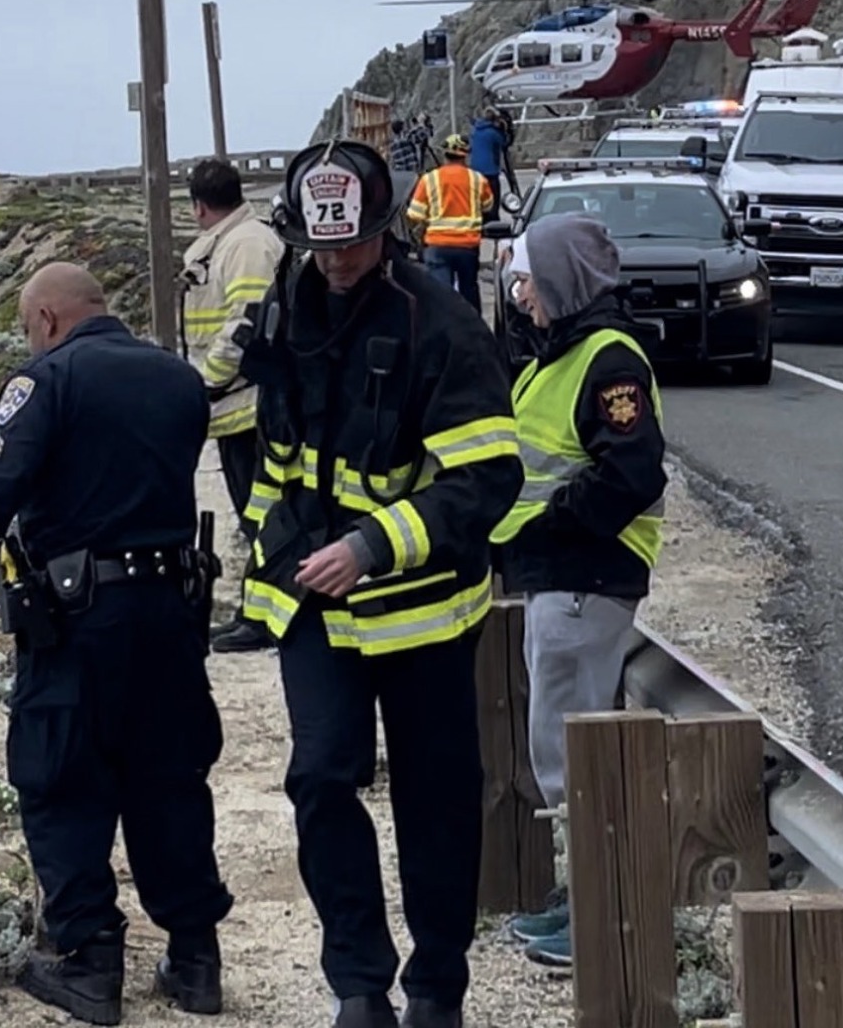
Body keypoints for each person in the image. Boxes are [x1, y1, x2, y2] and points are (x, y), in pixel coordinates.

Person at [235, 139, 522, 1028]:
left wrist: (372, 546)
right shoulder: (287, 308)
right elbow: (277, 454)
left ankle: (438, 987)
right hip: (314, 603)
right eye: (322, 248)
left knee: (435, 799)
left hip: (422, 612)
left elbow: (485, 477)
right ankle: (359, 984)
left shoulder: (442, 325)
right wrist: (271, 554)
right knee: (320, 780)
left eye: (352, 245)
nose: (338, 262)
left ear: (385, 230)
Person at [0, 262, 233, 1026]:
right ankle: (195, 958)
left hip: (81, 619)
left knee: (62, 777)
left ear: (46, 320)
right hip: (172, 612)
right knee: (170, 778)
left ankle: (88, 962)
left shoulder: (48, 381)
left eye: (27, 329)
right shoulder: (177, 380)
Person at [489, 214, 667, 972]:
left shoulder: (606, 360)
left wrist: (547, 532)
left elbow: (631, 472)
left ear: (560, 278)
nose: (520, 293)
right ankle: (580, 894)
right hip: (558, 581)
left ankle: (597, 911)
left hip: (582, 577)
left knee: (573, 756)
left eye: (528, 277)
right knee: (560, 749)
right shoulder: (557, 356)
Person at [181, 158, 284, 655]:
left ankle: (263, 616)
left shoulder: (245, 246)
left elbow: (247, 324)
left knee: (263, 515)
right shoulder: (234, 242)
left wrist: (206, 382)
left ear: (198, 204)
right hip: (236, 407)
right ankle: (258, 611)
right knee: (253, 516)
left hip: (250, 405)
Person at [406, 133, 493, 312]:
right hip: (468, 246)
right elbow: (488, 205)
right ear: (465, 154)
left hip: (438, 246)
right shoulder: (477, 179)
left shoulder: (429, 179)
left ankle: (444, 333)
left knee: (440, 295)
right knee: (469, 289)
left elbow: (415, 214)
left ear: (444, 154)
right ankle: (473, 329)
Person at [467, 107, 508, 216]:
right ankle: (493, 217)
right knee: (493, 198)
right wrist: (502, 129)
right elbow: (504, 142)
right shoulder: (493, 133)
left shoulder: (475, 131)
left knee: (479, 198)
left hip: (475, 170)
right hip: (490, 171)